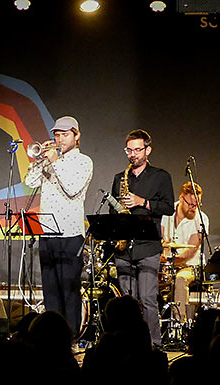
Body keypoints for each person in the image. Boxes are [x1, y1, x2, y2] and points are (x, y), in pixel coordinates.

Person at [24, 116, 93, 336]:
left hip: (70, 235)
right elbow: (30, 181)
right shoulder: (51, 160)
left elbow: (72, 188)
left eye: (65, 135)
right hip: (48, 232)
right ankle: (51, 340)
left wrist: (55, 162)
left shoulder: (84, 162)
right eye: (57, 135)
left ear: (77, 136)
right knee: (50, 292)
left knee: (69, 291)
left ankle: (70, 340)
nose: (59, 139)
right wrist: (39, 160)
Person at [110, 129, 174, 347]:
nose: (133, 155)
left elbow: (168, 207)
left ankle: (153, 345)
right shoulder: (120, 178)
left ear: (148, 150)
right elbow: (114, 212)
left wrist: (142, 202)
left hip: (148, 246)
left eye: (137, 150)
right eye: (129, 150)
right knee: (127, 303)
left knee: (147, 300)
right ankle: (127, 344)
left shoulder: (161, 176)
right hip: (124, 248)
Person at [161, 181, 209, 322]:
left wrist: (169, 261)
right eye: (191, 204)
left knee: (180, 279)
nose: (194, 208)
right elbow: (161, 239)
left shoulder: (201, 218)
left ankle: (179, 323)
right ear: (182, 198)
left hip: (190, 267)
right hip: (168, 265)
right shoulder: (167, 213)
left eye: (197, 204)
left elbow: (191, 251)